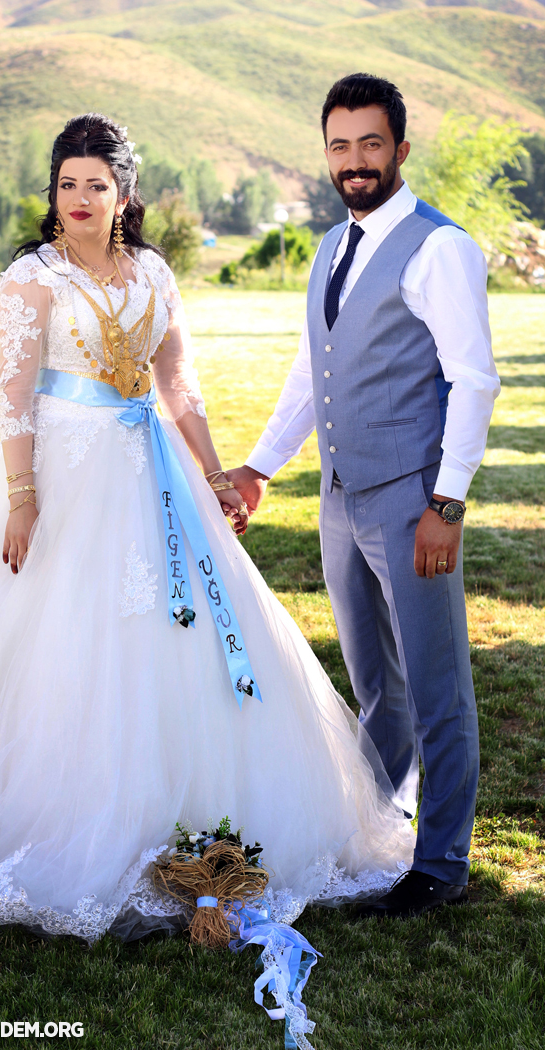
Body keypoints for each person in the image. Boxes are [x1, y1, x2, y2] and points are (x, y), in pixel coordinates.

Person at [0, 114, 413, 943]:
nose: (79, 198)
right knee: (63, 634)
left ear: (123, 193)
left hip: (155, 473)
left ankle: (200, 807)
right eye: (66, 184)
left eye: (96, 185)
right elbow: (12, 395)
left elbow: (179, 385)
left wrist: (214, 474)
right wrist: (23, 496)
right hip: (66, 475)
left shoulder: (152, 270)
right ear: (53, 193)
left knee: (187, 634)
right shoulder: (31, 278)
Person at [229, 75, 500, 919]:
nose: (355, 161)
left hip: (412, 500)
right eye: (340, 146)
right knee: (376, 683)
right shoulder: (330, 246)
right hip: (341, 497)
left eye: (371, 144)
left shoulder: (439, 247)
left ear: (401, 150)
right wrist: (261, 466)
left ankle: (442, 863)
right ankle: (385, 825)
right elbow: (312, 370)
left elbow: (474, 381)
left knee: (437, 687)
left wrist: (446, 505)